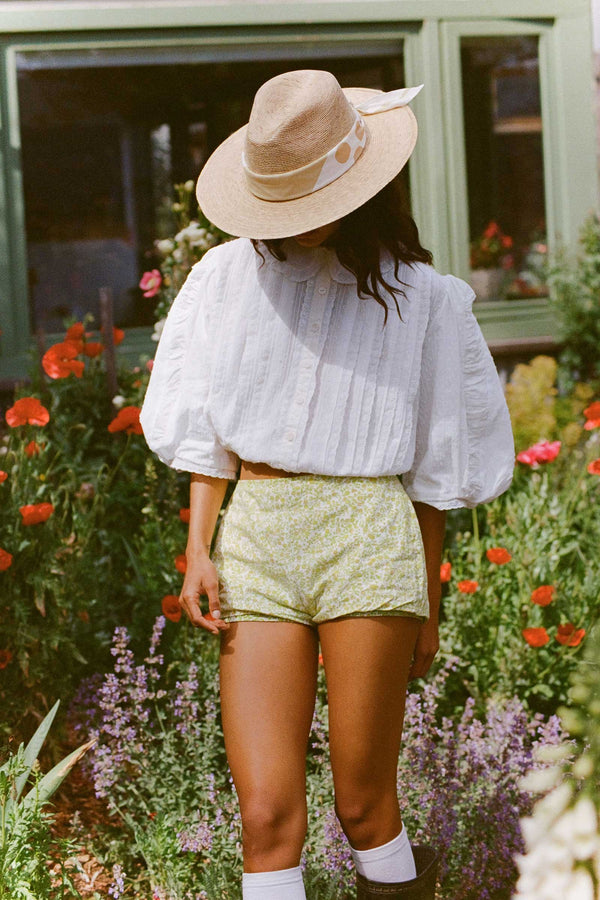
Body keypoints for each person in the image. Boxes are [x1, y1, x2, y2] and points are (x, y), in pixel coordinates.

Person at [140, 69, 515, 900]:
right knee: (267, 811)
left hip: (369, 532)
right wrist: (198, 547)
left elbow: (435, 468)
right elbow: (207, 429)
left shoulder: (428, 302)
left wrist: (429, 597)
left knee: (363, 802)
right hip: (259, 535)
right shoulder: (224, 280)